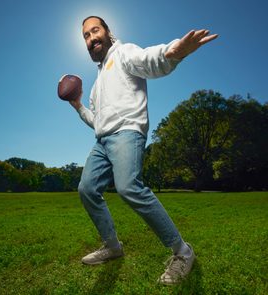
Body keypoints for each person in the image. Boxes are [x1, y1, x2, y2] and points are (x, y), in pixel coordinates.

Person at [69, 16, 218, 285]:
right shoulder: (96, 85)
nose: (91, 39)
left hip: (127, 132)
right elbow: (97, 121)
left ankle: (183, 252)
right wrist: (79, 106)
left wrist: (173, 51)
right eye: (86, 37)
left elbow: (150, 59)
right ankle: (113, 246)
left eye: (95, 31)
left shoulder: (124, 53)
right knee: (87, 189)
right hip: (102, 141)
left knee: (128, 187)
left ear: (107, 32)